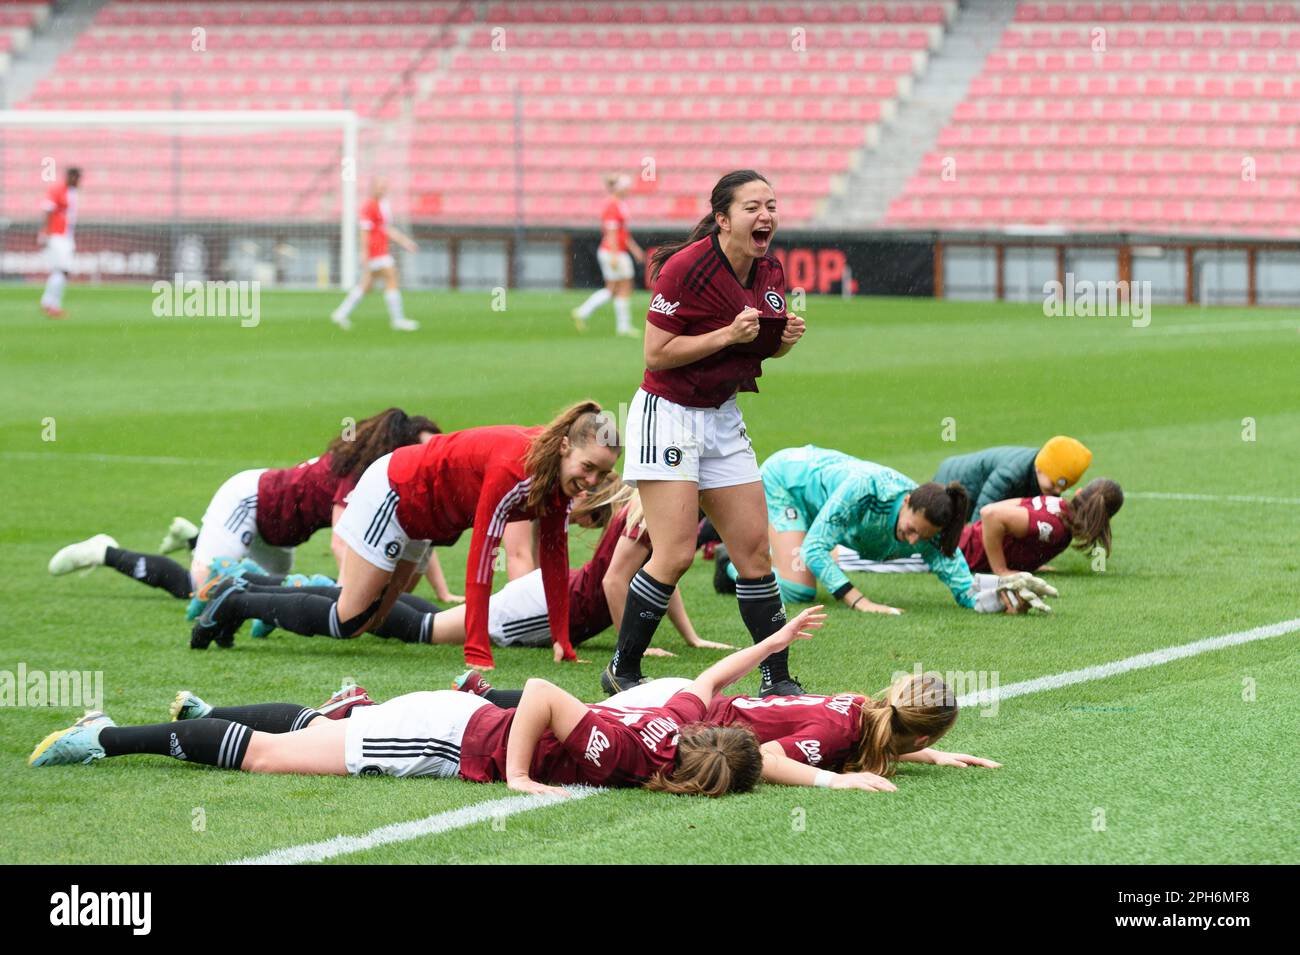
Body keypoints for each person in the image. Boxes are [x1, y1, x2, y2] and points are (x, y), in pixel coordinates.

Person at [28, 607, 833, 799]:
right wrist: (518, 774)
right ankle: (109, 736)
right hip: (452, 739)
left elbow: (707, 685)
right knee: (280, 754)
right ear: (686, 775)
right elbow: (546, 693)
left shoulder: (686, 724)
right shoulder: (626, 757)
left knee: (315, 727)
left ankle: (207, 713)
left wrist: (769, 648)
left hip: (447, 725)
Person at [188, 403, 621, 667]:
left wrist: (562, 639)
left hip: (426, 517)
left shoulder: (556, 482)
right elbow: (483, 555)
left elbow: (556, 558)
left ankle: (241, 591)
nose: (592, 480)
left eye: (602, 473)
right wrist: (476, 647)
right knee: (349, 620)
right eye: (588, 468)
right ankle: (233, 600)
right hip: (396, 492)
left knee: (374, 618)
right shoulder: (515, 467)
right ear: (565, 446)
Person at [605, 169, 807, 698]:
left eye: (772, 205)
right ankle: (623, 670)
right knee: (673, 553)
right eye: (752, 207)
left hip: (721, 414)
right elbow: (656, 354)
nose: (766, 216)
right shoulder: (684, 269)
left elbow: (759, 347)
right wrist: (725, 335)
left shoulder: (770, 271)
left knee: (754, 553)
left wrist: (783, 340)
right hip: (667, 413)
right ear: (722, 218)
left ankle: (777, 677)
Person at [47, 408, 445, 599]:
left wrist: (441, 593)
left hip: (276, 538)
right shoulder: (358, 475)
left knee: (259, 592)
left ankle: (194, 539)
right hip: (247, 503)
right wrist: (348, 596)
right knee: (202, 591)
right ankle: (104, 551)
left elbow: (414, 534)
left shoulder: (380, 474)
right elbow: (343, 543)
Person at [457, 667, 1000, 793]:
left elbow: (872, 743)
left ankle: (478, 697)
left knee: (582, 717)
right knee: (582, 721)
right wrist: (838, 783)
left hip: (697, 713)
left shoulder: (867, 710)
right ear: (922, 733)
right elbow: (768, 755)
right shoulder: (842, 732)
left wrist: (932, 759)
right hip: (687, 717)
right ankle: (479, 699)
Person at [715, 446, 1055, 615]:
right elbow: (816, 548)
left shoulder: (930, 535)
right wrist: (860, 601)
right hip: (787, 481)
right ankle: (732, 564)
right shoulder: (865, 489)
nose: (911, 542)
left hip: (828, 511)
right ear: (906, 501)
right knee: (800, 590)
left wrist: (1001, 595)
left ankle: (769, 553)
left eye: (920, 538)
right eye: (909, 530)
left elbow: (963, 589)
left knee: (808, 571)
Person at [424, 481, 727, 656]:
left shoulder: (653, 511)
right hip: (545, 605)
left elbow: (663, 579)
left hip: (555, 597)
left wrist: (693, 638)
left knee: (434, 623)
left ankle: (379, 604)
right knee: (429, 631)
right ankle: (376, 607)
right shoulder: (648, 515)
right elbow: (613, 582)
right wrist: (631, 647)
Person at [836, 478, 1123, 580]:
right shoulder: (1056, 527)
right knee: (877, 559)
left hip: (965, 542)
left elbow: (1011, 506)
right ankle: (815, 555)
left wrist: (1027, 561)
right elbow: (991, 513)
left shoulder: (1056, 506)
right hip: (961, 551)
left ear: (1081, 491)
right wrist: (1001, 570)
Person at [330, 177, 419, 332]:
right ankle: (397, 320)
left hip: (381, 250)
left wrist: (405, 242)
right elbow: (364, 232)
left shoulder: (382, 206)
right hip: (375, 251)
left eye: (384, 187)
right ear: (373, 189)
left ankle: (340, 313)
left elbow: (386, 229)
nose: (383, 190)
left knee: (367, 286)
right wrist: (364, 253)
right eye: (379, 187)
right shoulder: (369, 207)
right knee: (391, 277)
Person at [934, 436, 1092, 522]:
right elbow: (982, 517)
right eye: (1054, 483)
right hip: (950, 482)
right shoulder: (1011, 473)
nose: (1057, 491)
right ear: (1040, 468)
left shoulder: (1040, 474)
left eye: (1063, 487)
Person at [572, 173, 645, 337]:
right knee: (624, 287)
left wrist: (634, 249)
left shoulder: (617, 204)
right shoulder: (613, 206)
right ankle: (623, 326)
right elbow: (612, 232)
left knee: (613, 288)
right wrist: (614, 255)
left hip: (615, 251)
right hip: (614, 252)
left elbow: (621, 232)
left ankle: (584, 312)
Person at [39, 166, 80, 318]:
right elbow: (47, 210)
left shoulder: (73, 193)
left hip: (65, 236)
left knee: (59, 271)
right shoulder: (58, 190)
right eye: (76, 178)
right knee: (63, 270)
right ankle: (52, 305)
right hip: (57, 236)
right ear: (71, 177)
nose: (78, 181)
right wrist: (45, 232)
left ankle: (48, 303)